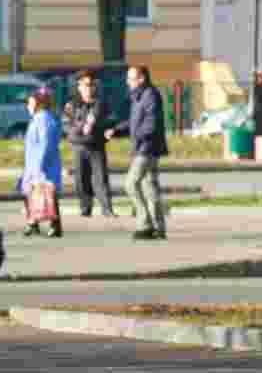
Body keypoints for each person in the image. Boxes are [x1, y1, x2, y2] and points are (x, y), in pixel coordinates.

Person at [105, 65, 168, 241]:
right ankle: (158, 227)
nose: (128, 82)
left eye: (131, 78)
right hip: (144, 146)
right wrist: (116, 131)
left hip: (147, 147)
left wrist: (135, 135)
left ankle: (145, 223)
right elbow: (134, 123)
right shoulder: (139, 96)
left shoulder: (149, 95)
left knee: (130, 184)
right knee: (150, 187)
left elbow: (151, 124)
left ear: (141, 79)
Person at [62, 69, 115, 218]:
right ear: (79, 87)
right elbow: (66, 127)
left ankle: (107, 209)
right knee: (81, 180)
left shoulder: (101, 104)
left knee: (101, 179)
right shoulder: (71, 106)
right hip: (79, 147)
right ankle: (85, 208)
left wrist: (108, 130)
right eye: (85, 85)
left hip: (97, 145)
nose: (89, 88)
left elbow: (111, 121)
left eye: (91, 84)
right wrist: (82, 127)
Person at [18, 87, 63, 238]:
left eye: (31, 103)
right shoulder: (38, 118)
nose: (28, 107)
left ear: (39, 104)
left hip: (42, 164)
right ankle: (33, 223)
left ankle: (54, 226)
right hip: (33, 163)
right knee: (31, 193)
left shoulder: (43, 118)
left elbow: (46, 143)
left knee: (47, 195)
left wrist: (40, 165)